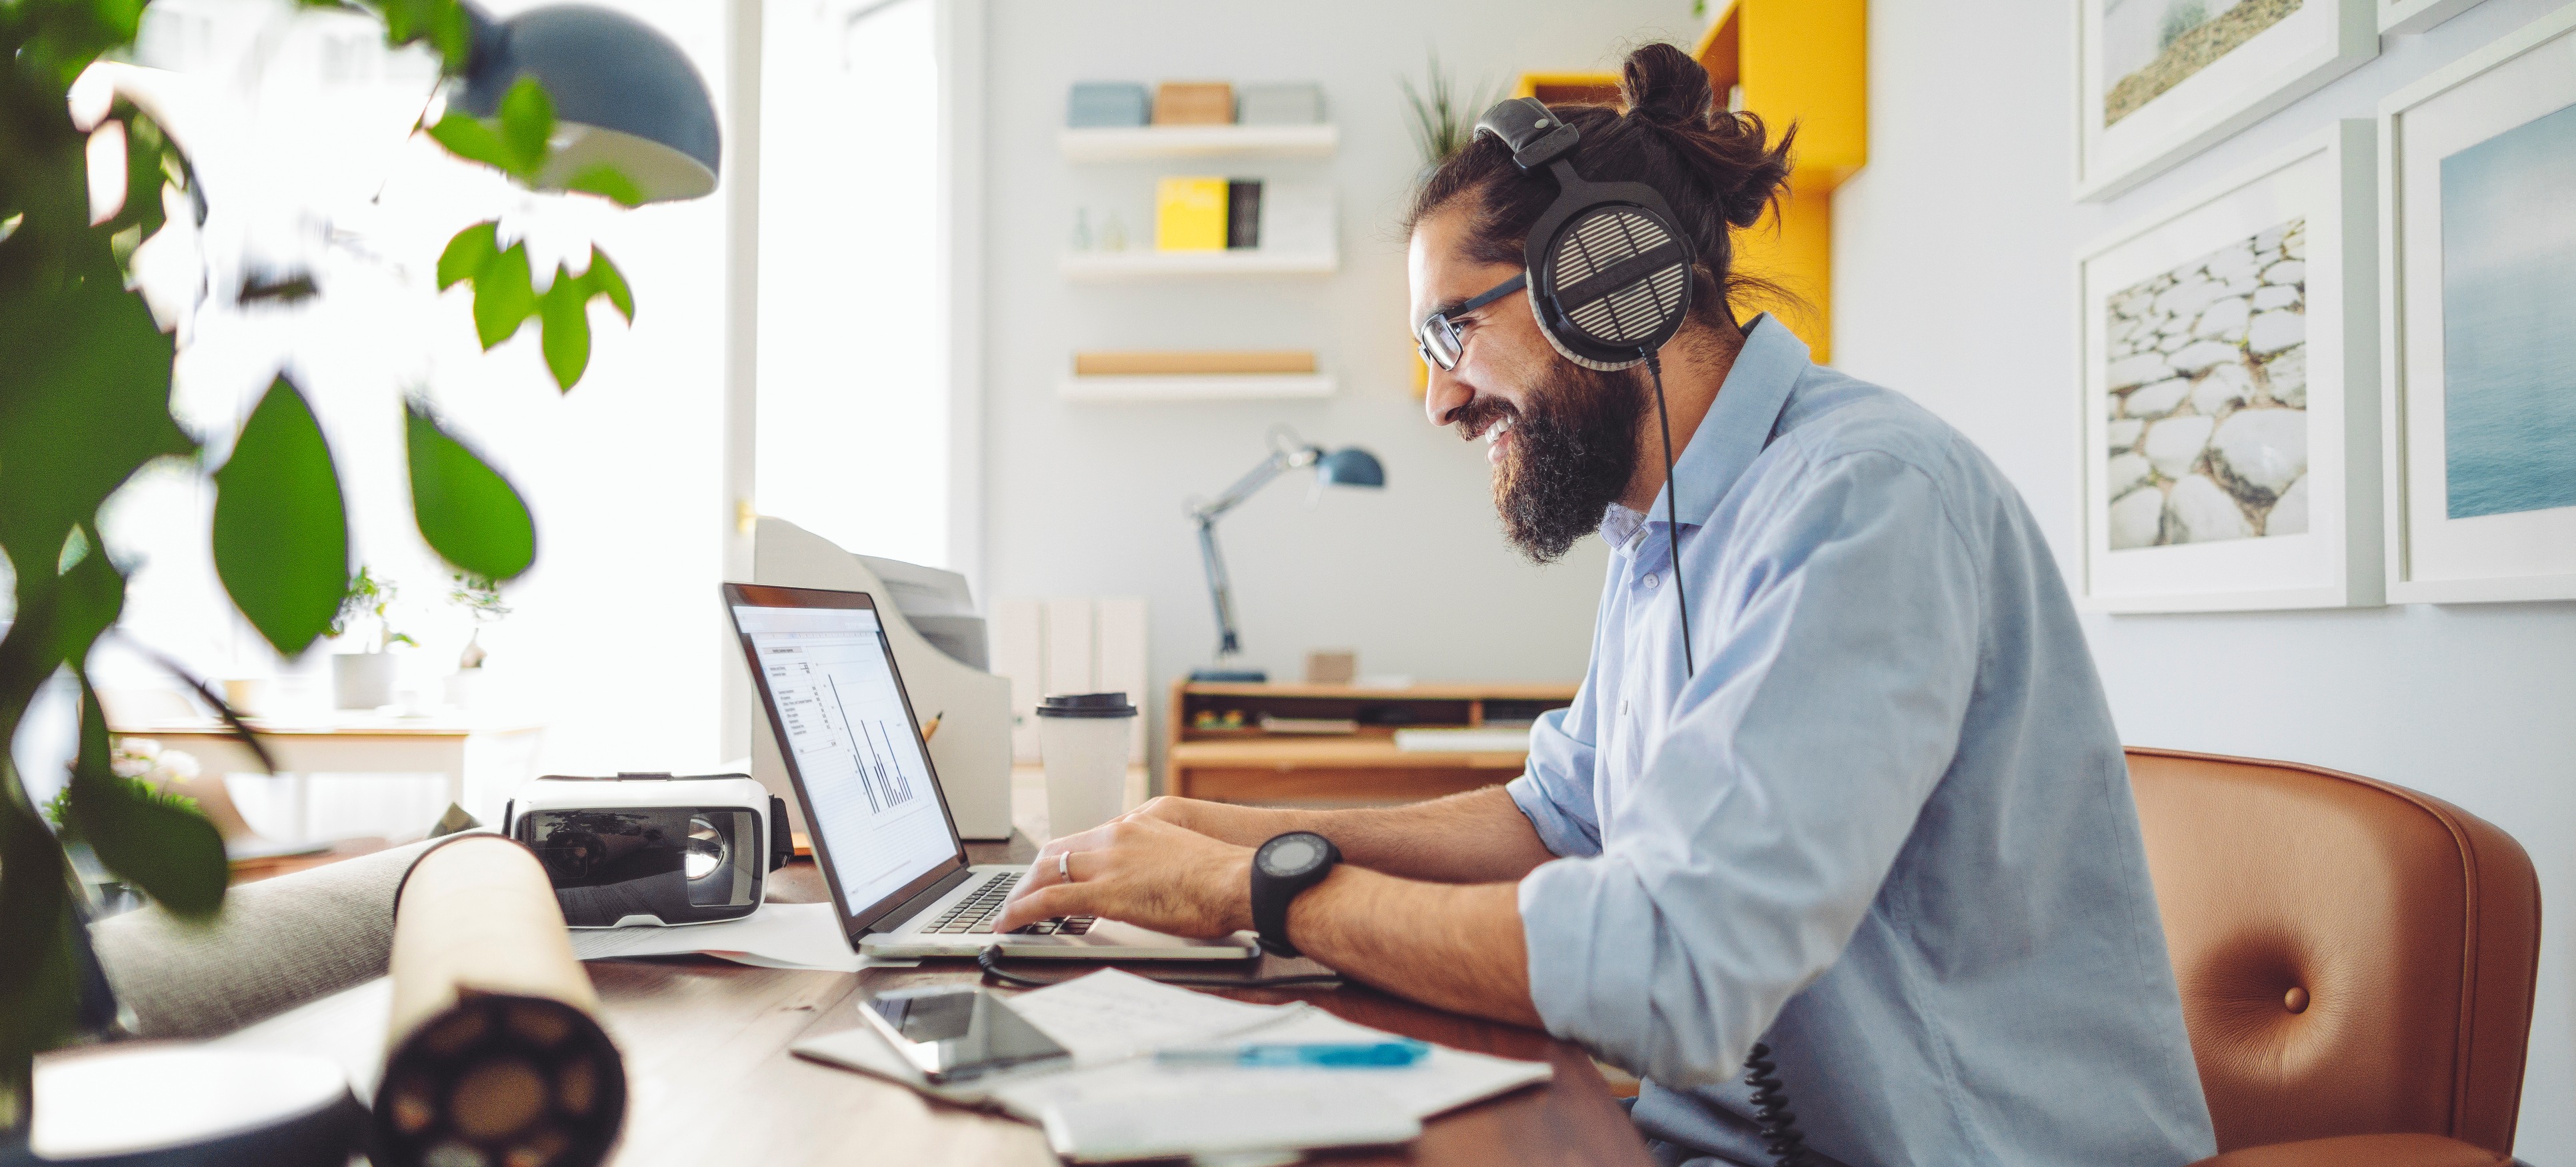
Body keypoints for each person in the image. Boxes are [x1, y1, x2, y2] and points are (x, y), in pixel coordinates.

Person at [997, 43, 2216, 1167]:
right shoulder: (1662, 528)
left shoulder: (1861, 503)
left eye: (1448, 331)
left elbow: (1671, 970)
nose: (1439, 403)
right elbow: (1557, 818)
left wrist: (1254, 894)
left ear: (1606, 279)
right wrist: (1220, 828)